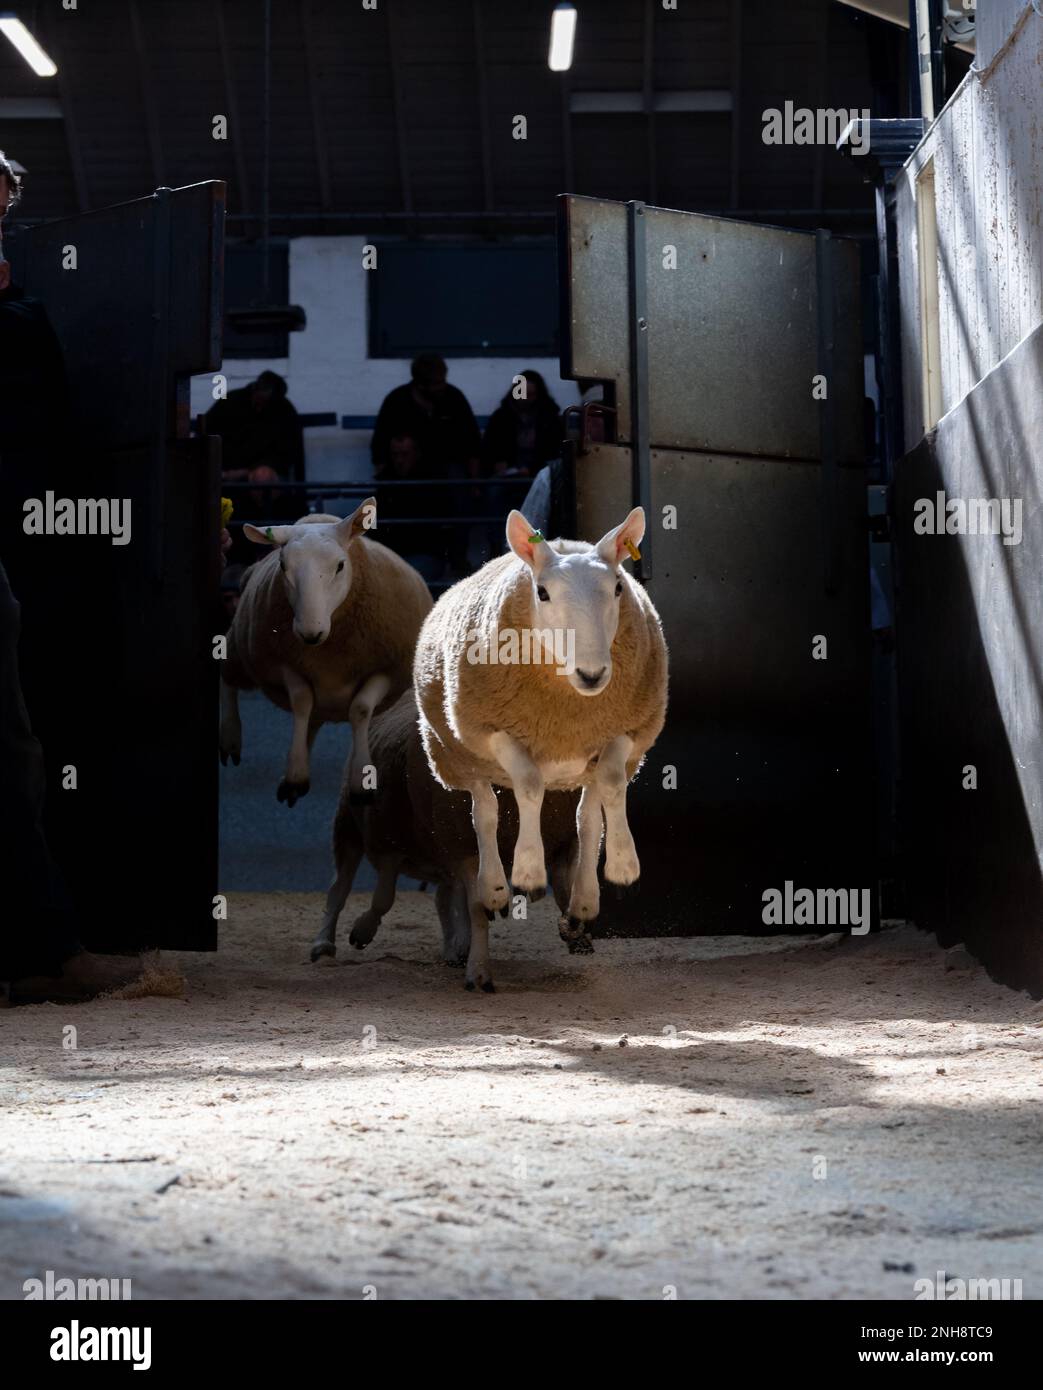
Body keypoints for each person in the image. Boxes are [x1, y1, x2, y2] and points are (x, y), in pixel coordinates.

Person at [0, 149, 142, 1003]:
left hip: (17, 547)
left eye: (4, 188)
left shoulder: (21, 303)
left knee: (13, 750)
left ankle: (43, 950)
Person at [371, 354, 481, 481]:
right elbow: (379, 446)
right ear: (420, 385)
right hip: (408, 470)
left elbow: (473, 443)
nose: (443, 386)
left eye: (443, 380)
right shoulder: (397, 400)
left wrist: (474, 482)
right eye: (437, 383)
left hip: (447, 469)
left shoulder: (454, 397)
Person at [481, 369, 563, 479]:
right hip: (507, 473)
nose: (525, 399)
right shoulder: (501, 417)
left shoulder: (549, 418)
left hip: (541, 473)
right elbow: (489, 446)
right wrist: (498, 462)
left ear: (538, 395)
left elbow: (553, 450)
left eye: (530, 395)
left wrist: (533, 468)